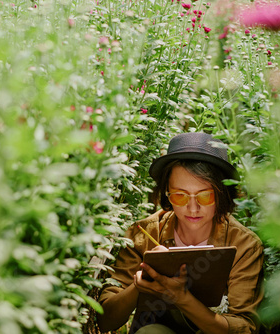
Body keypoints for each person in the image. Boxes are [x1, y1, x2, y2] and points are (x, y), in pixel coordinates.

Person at [97, 132, 264, 334]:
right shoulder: (144, 234)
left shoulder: (244, 245)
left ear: (222, 194)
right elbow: (105, 321)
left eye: (205, 196)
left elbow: (244, 328)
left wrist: (182, 298)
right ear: (167, 193)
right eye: (180, 196)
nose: (193, 208)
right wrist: (139, 285)